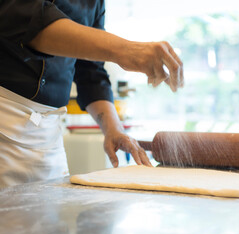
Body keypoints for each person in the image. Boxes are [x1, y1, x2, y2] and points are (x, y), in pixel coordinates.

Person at [0, 0, 184, 188]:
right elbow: (29, 21)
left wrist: (114, 129)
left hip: (49, 137)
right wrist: (125, 50)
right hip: (5, 121)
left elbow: (90, 71)